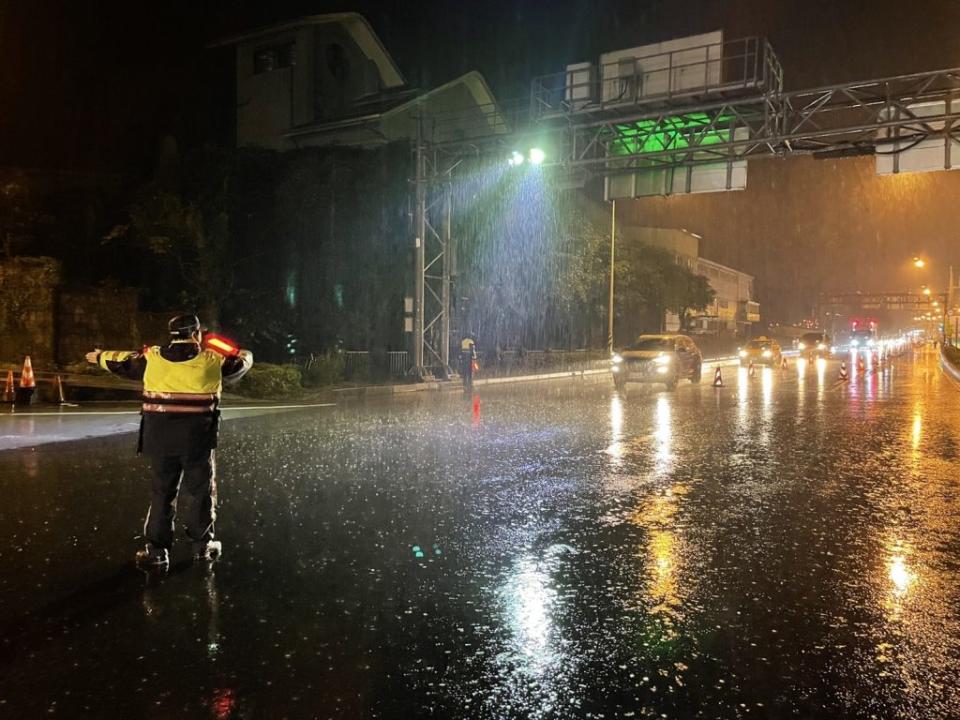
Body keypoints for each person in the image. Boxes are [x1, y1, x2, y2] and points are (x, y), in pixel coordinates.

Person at [86, 314, 253, 567]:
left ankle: (156, 551)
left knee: (162, 492)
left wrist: (98, 356)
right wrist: (223, 344)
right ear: (196, 333)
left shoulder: (151, 358)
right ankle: (202, 546)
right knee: (201, 492)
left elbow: (121, 360)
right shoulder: (211, 360)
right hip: (197, 439)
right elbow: (242, 360)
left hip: (160, 438)